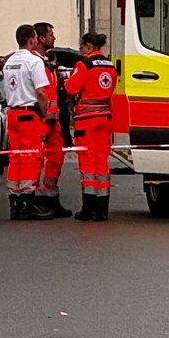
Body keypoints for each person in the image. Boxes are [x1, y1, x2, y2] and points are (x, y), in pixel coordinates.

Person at [0, 24, 58, 220]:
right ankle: (27, 200)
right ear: (32, 40)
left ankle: (14, 201)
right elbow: (41, 92)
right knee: (31, 158)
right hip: (29, 114)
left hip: (13, 114)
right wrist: (44, 114)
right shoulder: (33, 62)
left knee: (15, 158)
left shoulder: (9, 63)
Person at [65, 32, 118, 220]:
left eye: (81, 46)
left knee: (87, 163)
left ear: (88, 46)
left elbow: (71, 88)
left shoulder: (84, 65)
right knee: (102, 162)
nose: (80, 50)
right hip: (105, 117)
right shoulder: (110, 66)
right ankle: (103, 209)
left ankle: (89, 208)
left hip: (87, 119)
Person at [33, 21, 72, 217]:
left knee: (56, 158)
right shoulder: (32, 61)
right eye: (50, 35)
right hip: (40, 118)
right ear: (39, 38)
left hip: (53, 119)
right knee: (37, 159)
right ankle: (34, 199)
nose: (53, 38)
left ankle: (51, 196)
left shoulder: (47, 62)